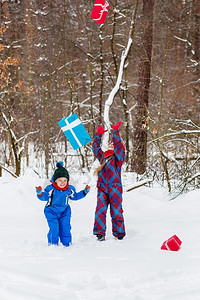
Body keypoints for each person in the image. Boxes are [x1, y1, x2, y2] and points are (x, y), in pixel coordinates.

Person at [36, 161, 90, 247]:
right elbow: (45, 197)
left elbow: (75, 196)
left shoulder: (69, 189)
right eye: (60, 180)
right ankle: (53, 244)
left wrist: (84, 192)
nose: (63, 182)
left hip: (65, 212)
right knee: (54, 228)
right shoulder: (50, 189)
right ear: (55, 181)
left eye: (65, 180)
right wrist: (40, 193)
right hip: (51, 211)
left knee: (65, 228)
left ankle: (67, 244)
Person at [92, 121, 126, 241]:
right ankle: (99, 232)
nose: (112, 144)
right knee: (100, 209)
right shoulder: (102, 156)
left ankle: (119, 232)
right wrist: (98, 136)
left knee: (116, 210)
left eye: (114, 144)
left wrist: (115, 133)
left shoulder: (118, 159)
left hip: (115, 188)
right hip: (102, 187)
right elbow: (95, 148)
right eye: (111, 143)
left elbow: (118, 146)